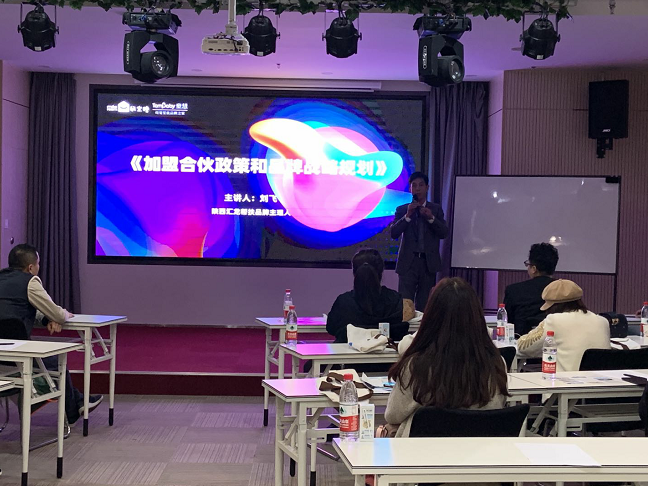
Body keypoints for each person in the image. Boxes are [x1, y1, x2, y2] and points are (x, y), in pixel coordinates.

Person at [383, 277, 509, 438]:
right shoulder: (497, 364)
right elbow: (498, 407)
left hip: (423, 451)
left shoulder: (415, 366)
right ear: (477, 317)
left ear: (430, 318)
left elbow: (393, 415)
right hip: (481, 450)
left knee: (390, 428)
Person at [0, 244, 102, 424]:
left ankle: (77, 401)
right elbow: (58, 314)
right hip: (18, 356)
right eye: (38, 264)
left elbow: (13, 312)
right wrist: (62, 315)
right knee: (56, 362)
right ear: (30, 267)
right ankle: (72, 408)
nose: (39, 268)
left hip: (2, 356)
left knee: (47, 363)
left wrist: (47, 319)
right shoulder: (30, 281)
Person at [517, 279, 611, 372]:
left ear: (553, 306)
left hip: (567, 380)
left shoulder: (554, 320)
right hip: (602, 380)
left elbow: (526, 348)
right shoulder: (603, 321)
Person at [390, 172, 449, 311]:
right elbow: (394, 233)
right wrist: (407, 216)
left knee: (425, 305)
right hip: (408, 263)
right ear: (410, 189)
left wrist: (431, 218)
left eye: (421, 185)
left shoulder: (435, 209)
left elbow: (444, 233)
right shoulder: (403, 209)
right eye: (414, 185)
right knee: (405, 305)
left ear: (427, 187)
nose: (417, 189)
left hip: (428, 263)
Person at [326, 248, 409, 343]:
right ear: (381, 270)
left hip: (347, 351)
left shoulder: (343, 302)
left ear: (354, 272)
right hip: (387, 351)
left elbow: (331, 328)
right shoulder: (395, 299)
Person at [504, 242, 559, 335]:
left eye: (528, 264)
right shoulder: (563, 290)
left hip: (520, 340)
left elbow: (507, 323)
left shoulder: (513, 290)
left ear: (534, 269)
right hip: (554, 340)